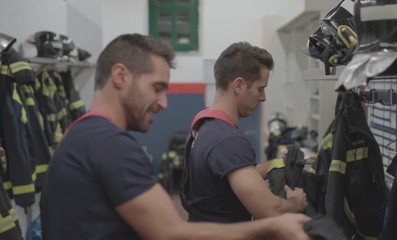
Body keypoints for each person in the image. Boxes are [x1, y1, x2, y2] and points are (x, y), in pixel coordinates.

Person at [40, 33, 311, 240]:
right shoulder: (110, 145)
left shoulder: (80, 134)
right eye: (156, 88)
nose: (163, 103)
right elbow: (171, 232)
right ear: (120, 76)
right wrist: (275, 222)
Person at [182, 42, 307, 223]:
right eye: (260, 88)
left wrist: (277, 164)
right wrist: (295, 203)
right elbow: (269, 211)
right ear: (239, 85)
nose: (263, 97)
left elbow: (233, 172)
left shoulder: (204, 125)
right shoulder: (228, 140)